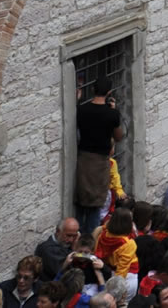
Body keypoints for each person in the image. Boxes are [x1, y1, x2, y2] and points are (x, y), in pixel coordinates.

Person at [73, 82, 122, 233]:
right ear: (109, 93)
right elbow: (118, 136)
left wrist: (77, 100)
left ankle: (78, 236)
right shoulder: (112, 114)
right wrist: (114, 112)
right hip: (100, 161)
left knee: (81, 201)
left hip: (83, 159)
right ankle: (91, 239)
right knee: (95, 204)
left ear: (93, 90)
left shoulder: (81, 110)